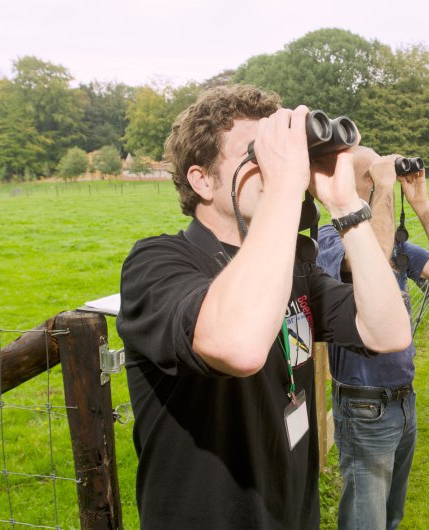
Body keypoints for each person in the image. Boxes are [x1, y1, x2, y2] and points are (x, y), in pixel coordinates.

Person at [115, 85, 411, 529]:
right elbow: (238, 346)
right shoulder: (155, 264)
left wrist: (346, 206)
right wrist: (287, 189)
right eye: (255, 154)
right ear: (202, 180)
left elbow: (389, 332)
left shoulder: (296, 265)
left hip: (292, 512)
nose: (274, 167)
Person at [316, 147, 429, 530]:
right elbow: (374, 258)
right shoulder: (330, 238)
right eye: (372, 174)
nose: (384, 178)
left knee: (392, 516)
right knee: (367, 521)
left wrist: (422, 204)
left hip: (402, 397)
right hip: (363, 403)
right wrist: (383, 189)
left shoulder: (394, 241)